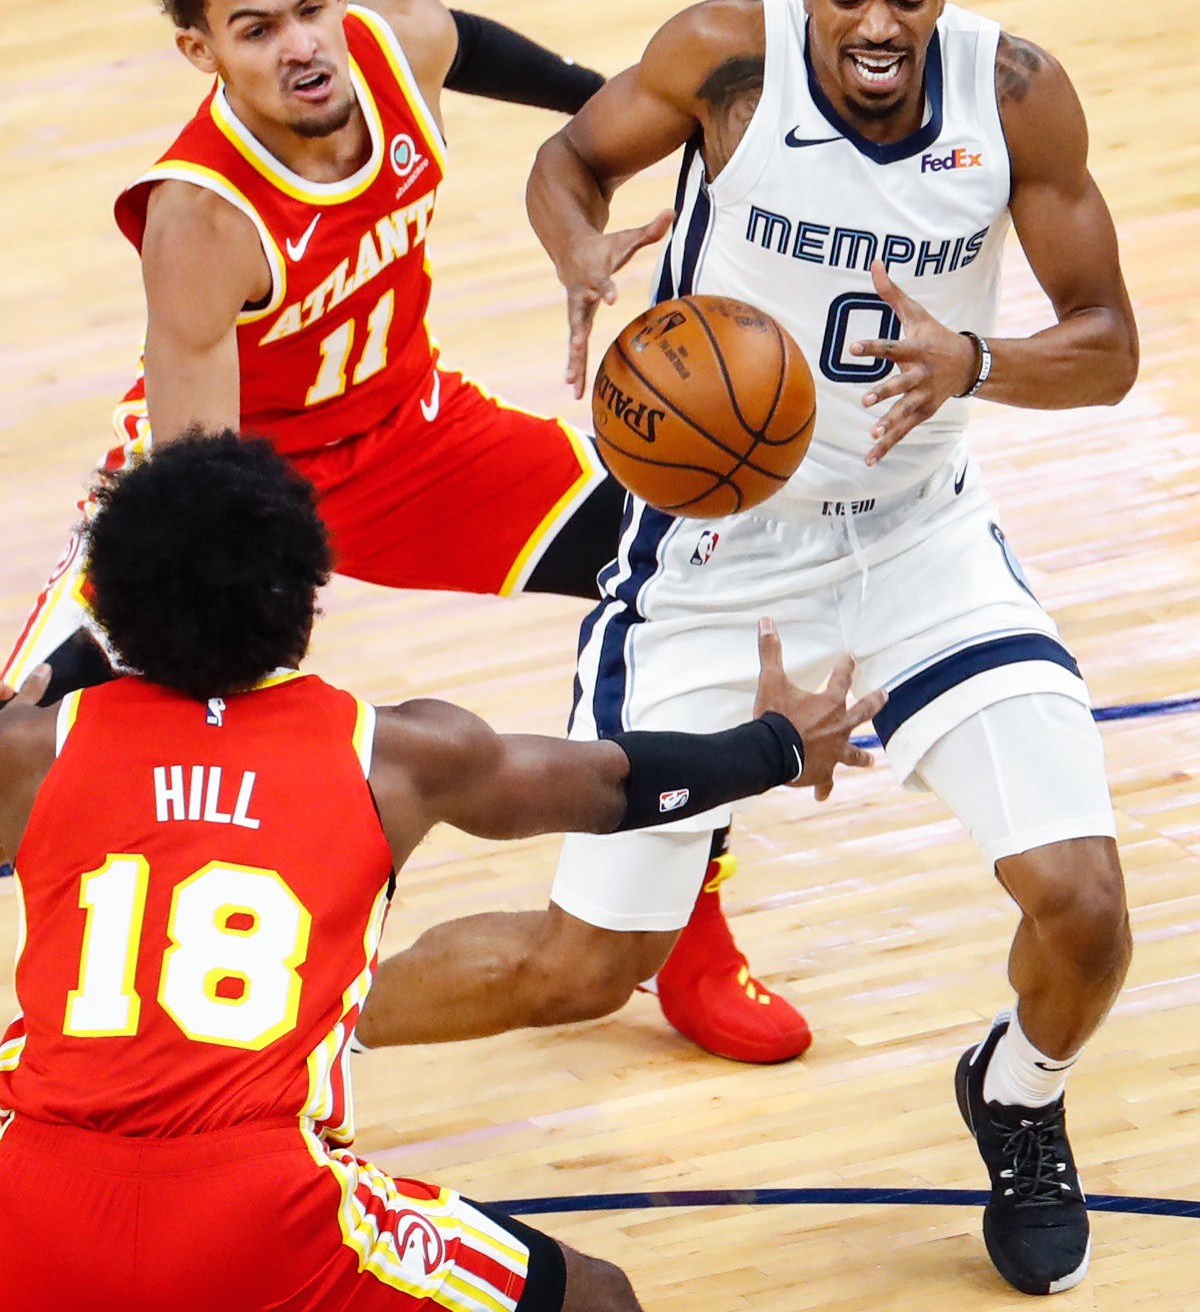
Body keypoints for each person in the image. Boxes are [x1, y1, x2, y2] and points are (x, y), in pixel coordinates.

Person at [365, 0, 1139, 1298]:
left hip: (919, 539)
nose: (879, 24)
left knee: (1085, 901)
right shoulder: (721, 56)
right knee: (583, 966)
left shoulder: (1017, 95)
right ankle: (274, 1027)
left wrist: (978, 361)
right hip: (715, 559)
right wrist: (582, 250)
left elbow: (1108, 345)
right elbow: (568, 159)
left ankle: (1020, 1094)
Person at [0, 0, 808, 1065]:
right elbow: (202, 504)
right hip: (234, 491)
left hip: (419, 436)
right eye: (255, 28)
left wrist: (627, 117)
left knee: (692, 563)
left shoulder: (396, 44)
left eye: (313, 4)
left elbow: (467, 42)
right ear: (200, 49)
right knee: (31, 749)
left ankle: (679, 920)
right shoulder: (200, 219)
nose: (303, 45)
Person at [0, 430, 883, 1312]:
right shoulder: (394, 755)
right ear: (302, 601)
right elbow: (617, 782)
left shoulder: (37, 750)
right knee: (597, 1297)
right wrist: (778, 746)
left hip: (31, 1196)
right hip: (259, 1208)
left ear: (116, 604)